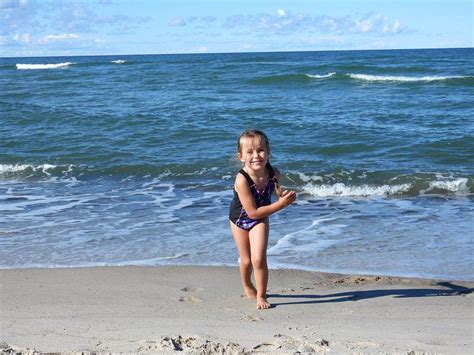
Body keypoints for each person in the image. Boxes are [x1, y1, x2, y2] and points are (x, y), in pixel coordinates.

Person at [229, 129, 296, 309]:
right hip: (239, 219)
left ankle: (261, 295)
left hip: (261, 217)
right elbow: (251, 213)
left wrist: (280, 193)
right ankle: (246, 284)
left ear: (268, 152)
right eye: (249, 152)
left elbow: (274, 188)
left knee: (258, 258)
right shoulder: (242, 179)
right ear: (241, 156)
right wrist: (282, 204)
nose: (256, 155)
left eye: (260, 150)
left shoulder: (273, 173)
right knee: (246, 260)